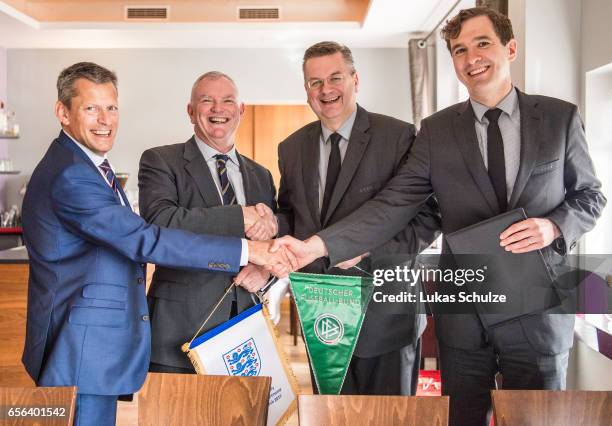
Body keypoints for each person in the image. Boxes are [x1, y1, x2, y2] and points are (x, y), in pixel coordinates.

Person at [273, 8, 606, 426]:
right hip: (463, 314)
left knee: (536, 419)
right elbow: (395, 202)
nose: (471, 58)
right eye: (460, 50)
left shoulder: (559, 117)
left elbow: (590, 196)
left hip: (535, 308)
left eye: (482, 44)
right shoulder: (436, 130)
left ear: (511, 48)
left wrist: (554, 224)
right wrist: (319, 246)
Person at [21, 62, 292, 426]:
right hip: (83, 346)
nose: (105, 120)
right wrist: (247, 249)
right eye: (91, 108)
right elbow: (145, 238)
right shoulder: (72, 174)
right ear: (63, 112)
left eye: (111, 108)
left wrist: (267, 255)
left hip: (106, 345)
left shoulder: (88, 167)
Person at [276, 41, 440, 395]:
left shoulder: (398, 136)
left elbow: (426, 219)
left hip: (386, 317)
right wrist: (270, 224)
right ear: (306, 90)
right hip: (322, 318)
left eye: (335, 77)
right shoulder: (290, 148)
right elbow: (291, 215)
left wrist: (368, 253)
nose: (326, 90)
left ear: (355, 79)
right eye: (314, 82)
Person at [138, 71, 278, 374]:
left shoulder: (261, 175)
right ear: (191, 111)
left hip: (246, 331)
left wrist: (265, 270)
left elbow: (273, 243)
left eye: (228, 101)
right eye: (207, 101)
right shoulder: (160, 161)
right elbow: (161, 222)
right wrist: (240, 215)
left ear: (240, 111)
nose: (218, 109)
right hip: (180, 331)